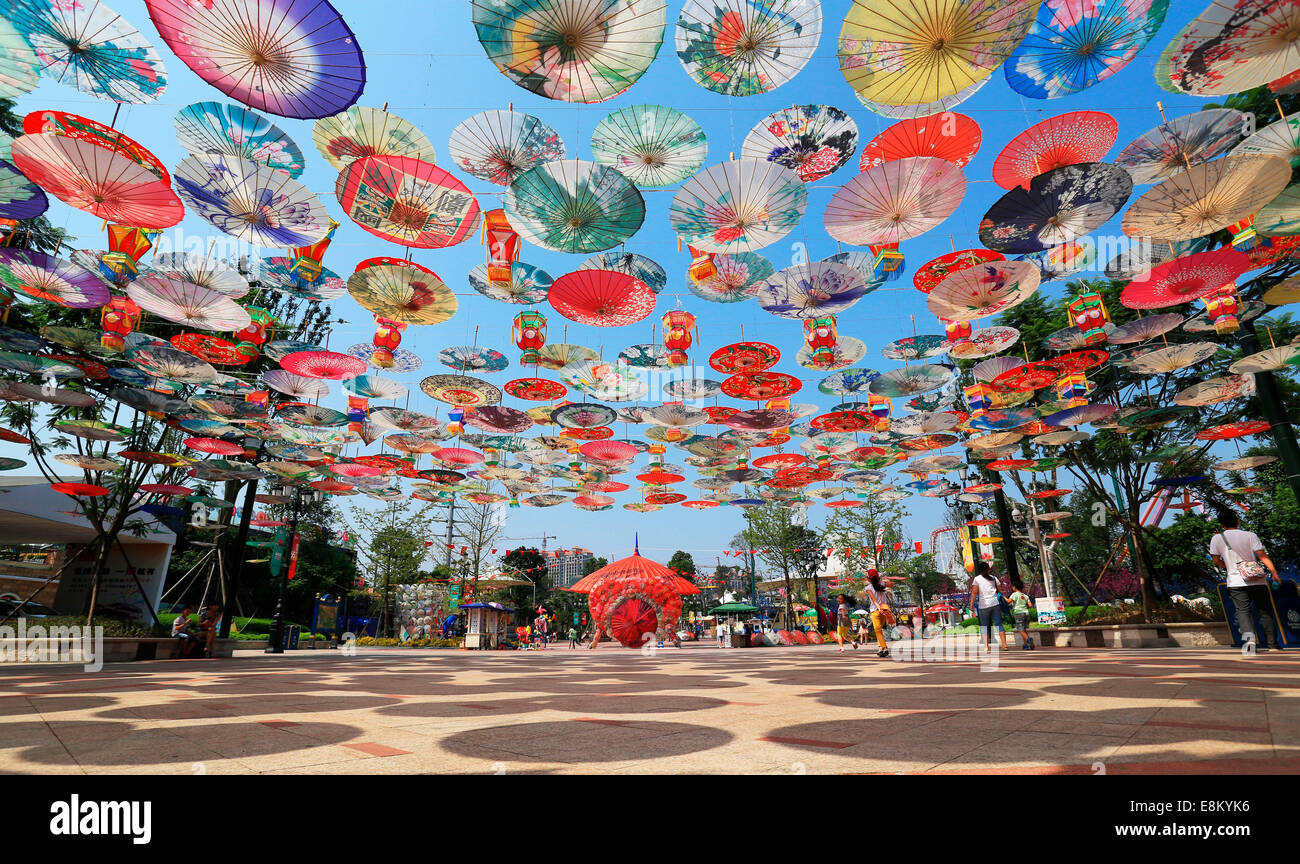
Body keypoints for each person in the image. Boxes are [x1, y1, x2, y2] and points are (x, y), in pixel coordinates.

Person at [1209, 508, 1283, 653]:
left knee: (1242, 612)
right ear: (1238, 521)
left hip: (1236, 581)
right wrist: (1274, 573)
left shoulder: (1217, 538)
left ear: (1221, 524)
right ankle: (1273, 645)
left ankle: (1250, 645)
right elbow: (1262, 556)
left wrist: (1229, 567)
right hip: (1257, 579)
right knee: (1265, 611)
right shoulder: (1250, 535)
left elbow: (1216, 560)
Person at [969, 561, 1009, 651]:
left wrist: (971, 605)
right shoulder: (994, 578)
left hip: (983, 605)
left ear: (979, 570)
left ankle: (986, 646)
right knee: (999, 624)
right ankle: (1004, 644)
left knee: (984, 626)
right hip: (995, 603)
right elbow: (1000, 590)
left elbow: (974, 592)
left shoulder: (977, 579)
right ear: (988, 569)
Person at [863, 570, 892, 658]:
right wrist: (881, 579)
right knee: (879, 630)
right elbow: (891, 584)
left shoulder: (868, 588)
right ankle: (880, 649)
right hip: (885, 609)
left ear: (868, 579)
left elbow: (873, 599)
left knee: (878, 630)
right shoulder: (882, 584)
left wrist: (878, 608)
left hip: (875, 610)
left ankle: (884, 647)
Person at [1007, 581, 1033, 650]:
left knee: (1020, 629)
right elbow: (1030, 605)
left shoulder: (1014, 594)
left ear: (1014, 587)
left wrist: (1002, 597)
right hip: (1026, 613)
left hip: (1019, 614)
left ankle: (1029, 640)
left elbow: (1008, 601)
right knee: (1024, 630)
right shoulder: (1025, 596)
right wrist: (1024, 608)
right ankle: (1026, 645)